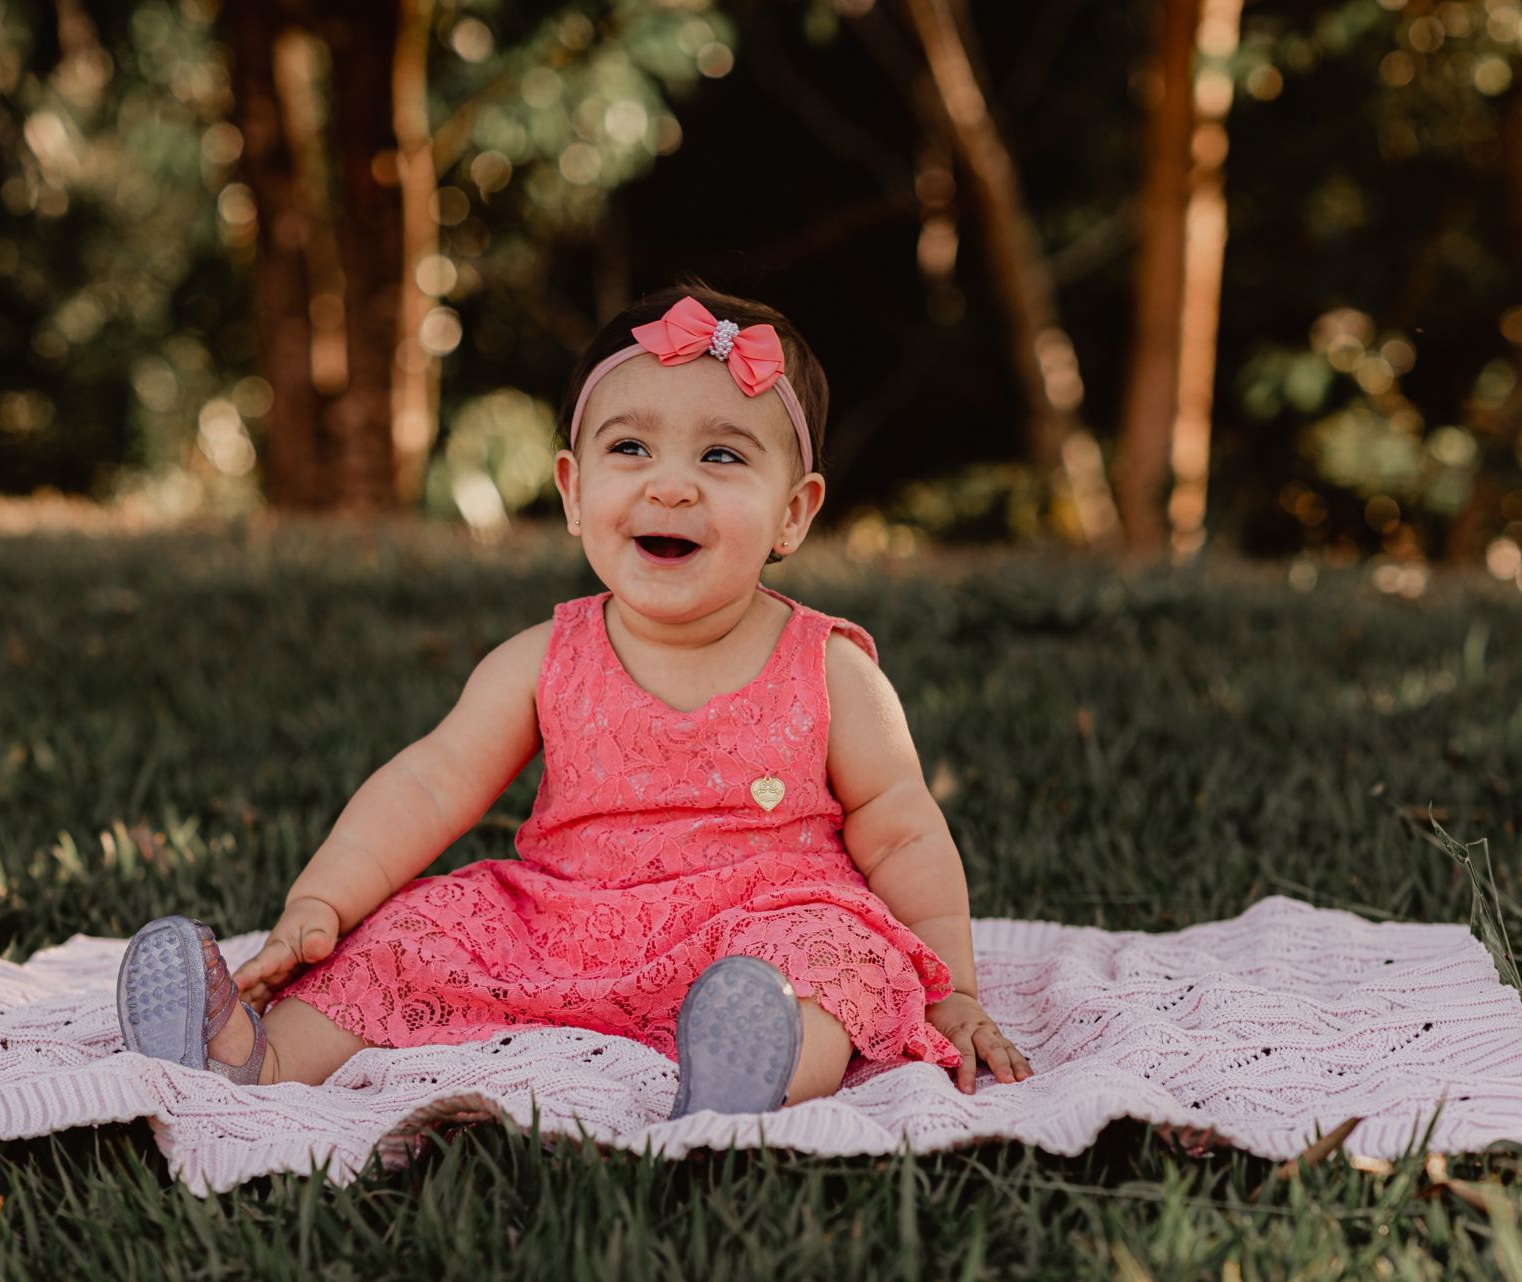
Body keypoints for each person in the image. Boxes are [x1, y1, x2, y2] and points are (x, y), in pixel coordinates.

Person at [115, 280, 1034, 1117]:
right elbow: (432, 783)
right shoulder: (542, 659)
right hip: (565, 924)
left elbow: (904, 828)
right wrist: (321, 901)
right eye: (629, 447)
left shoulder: (827, 668)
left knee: (834, 958)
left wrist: (950, 988)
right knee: (426, 929)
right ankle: (255, 1055)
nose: (669, 484)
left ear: (794, 512)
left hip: (760, 929)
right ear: (573, 487)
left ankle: (752, 1071)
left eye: (721, 456)